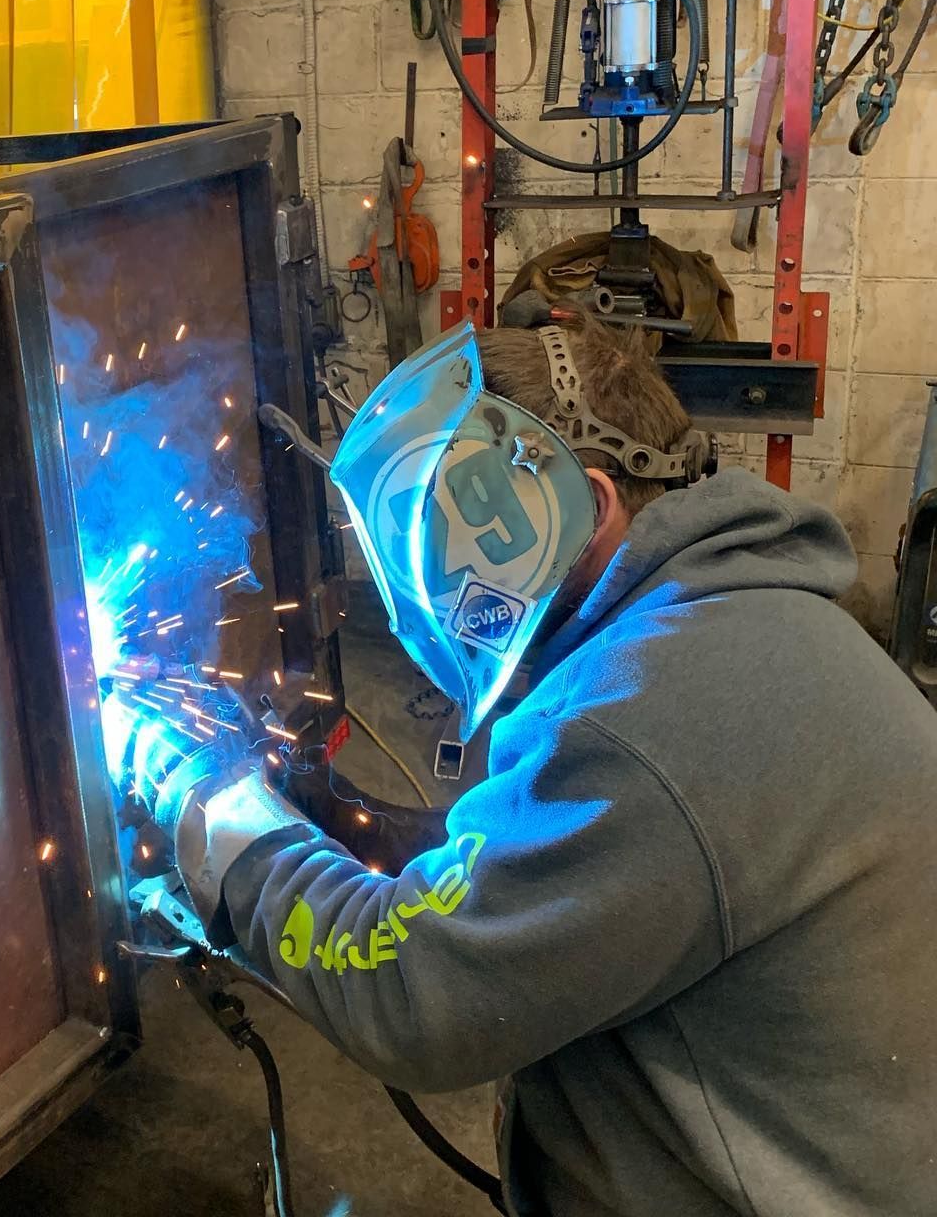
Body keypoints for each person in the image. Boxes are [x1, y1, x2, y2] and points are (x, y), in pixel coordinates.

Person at [138, 314, 937, 1217]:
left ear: (582, 503)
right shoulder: (740, 620)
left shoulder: (643, 715)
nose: (419, 599)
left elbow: (410, 994)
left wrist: (213, 811)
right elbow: (547, 853)